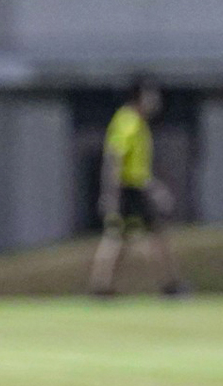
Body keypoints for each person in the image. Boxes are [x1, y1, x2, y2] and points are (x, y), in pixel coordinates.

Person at [89, 76, 186, 297]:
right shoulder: (128, 122)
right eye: (151, 95)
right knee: (122, 238)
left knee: (128, 238)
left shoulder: (137, 122)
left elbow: (138, 167)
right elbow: (115, 158)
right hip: (127, 189)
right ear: (139, 96)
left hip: (135, 187)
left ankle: (104, 287)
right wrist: (110, 193)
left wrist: (153, 187)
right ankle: (168, 286)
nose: (155, 100)